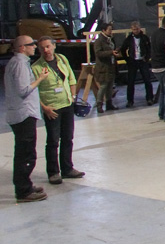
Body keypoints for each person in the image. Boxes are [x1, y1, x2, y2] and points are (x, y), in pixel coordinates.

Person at [33, 36, 85, 185]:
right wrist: (44, 108)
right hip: (52, 108)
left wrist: (73, 97)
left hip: (67, 104)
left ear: (54, 46)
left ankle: (67, 168)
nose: (46, 50)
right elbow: (33, 91)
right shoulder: (36, 67)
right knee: (53, 141)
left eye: (48, 46)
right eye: (42, 48)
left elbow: (71, 79)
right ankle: (53, 172)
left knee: (68, 138)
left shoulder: (62, 59)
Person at [5, 36, 49, 202]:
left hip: (23, 113)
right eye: (31, 44)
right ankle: (23, 190)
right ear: (22, 47)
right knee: (26, 154)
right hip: (24, 114)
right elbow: (23, 90)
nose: (35, 47)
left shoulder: (19, 63)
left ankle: (25, 185)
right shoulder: (19, 64)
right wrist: (40, 79)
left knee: (25, 152)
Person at [119, 21, 155, 108]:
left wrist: (147, 58)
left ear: (140, 28)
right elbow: (123, 49)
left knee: (147, 80)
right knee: (131, 82)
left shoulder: (145, 38)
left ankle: (149, 98)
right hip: (133, 62)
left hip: (143, 61)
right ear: (132, 29)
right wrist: (127, 59)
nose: (136, 31)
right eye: (134, 29)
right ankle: (130, 100)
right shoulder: (129, 39)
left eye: (137, 29)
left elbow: (149, 48)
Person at [93, 21, 119, 113]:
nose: (111, 31)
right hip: (103, 67)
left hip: (111, 66)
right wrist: (110, 52)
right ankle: (99, 104)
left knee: (110, 86)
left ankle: (109, 103)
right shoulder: (99, 41)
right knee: (103, 86)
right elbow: (98, 53)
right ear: (103, 30)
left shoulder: (110, 39)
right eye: (109, 29)